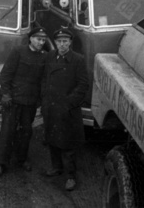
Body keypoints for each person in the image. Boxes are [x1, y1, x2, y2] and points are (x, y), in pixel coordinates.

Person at [0, 27, 48, 178]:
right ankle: (1, 163)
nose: (41, 42)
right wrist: (5, 94)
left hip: (30, 102)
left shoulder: (44, 57)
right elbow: (5, 75)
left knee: (26, 132)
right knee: (7, 132)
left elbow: (43, 80)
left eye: (43, 40)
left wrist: (39, 100)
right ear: (30, 39)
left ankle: (22, 159)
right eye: (38, 39)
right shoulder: (18, 51)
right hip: (12, 101)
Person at [42, 28, 88, 191]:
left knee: (68, 144)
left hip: (67, 108)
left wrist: (69, 103)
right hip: (51, 106)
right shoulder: (50, 57)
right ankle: (56, 167)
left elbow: (82, 85)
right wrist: (45, 99)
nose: (62, 45)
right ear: (55, 43)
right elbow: (44, 78)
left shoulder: (78, 60)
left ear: (70, 43)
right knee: (52, 138)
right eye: (59, 41)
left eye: (65, 41)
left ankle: (70, 176)